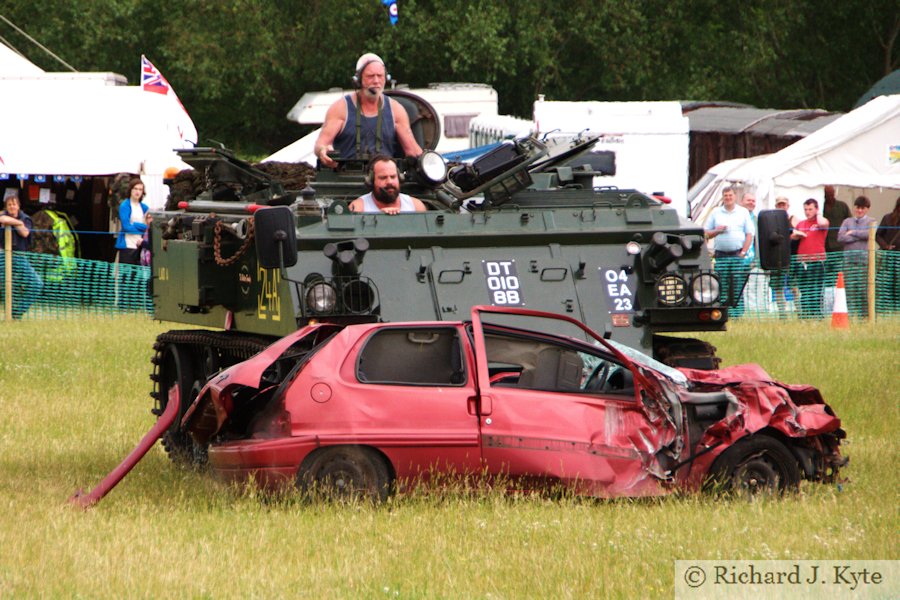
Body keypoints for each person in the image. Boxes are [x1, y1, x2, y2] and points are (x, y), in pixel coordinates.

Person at [314, 53, 423, 168]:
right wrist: (323, 151)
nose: (376, 81)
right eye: (371, 76)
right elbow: (321, 144)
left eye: (380, 76)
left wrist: (429, 162)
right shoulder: (341, 108)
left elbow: (413, 150)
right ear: (358, 80)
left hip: (384, 176)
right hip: (347, 177)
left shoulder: (396, 110)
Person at [704, 187, 754, 317]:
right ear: (723, 197)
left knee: (737, 285)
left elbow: (750, 234)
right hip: (721, 255)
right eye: (725, 195)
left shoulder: (743, 212)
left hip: (737, 255)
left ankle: (737, 314)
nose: (728, 198)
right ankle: (724, 313)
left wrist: (743, 252)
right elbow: (705, 233)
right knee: (722, 285)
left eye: (730, 195)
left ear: (735, 197)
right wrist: (717, 231)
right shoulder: (716, 212)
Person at [0, 191, 43, 318]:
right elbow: (2, 218)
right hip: (3, 257)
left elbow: (25, 233)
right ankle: (10, 313)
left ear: (18, 206)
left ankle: (17, 312)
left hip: (19, 257)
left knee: (36, 283)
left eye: (14, 204)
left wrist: (17, 223)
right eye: (9, 205)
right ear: (6, 207)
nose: (12, 207)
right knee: (6, 286)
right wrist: (15, 222)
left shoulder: (26, 219)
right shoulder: (3, 216)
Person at [837, 196, 877, 317]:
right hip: (849, 261)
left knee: (864, 290)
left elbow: (869, 234)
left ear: (867, 209)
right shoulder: (847, 221)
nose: (859, 210)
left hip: (864, 262)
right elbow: (840, 237)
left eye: (862, 208)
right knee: (850, 289)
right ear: (854, 208)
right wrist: (858, 236)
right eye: (858, 208)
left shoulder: (872, 221)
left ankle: (866, 316)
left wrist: (853, 232)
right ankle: (851, 315)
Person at [791, 198, 829, 319]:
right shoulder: (801, 223)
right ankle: (806, 314)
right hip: (802, 262)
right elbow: (792, 236)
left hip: (817, 261)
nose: (807, 212)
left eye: (810, 209)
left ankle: (816, 315)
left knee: (816, 289)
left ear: (816, 209)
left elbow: (823, 224)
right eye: (806, 209)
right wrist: (797, 235)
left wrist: (817, 214)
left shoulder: (821, 221)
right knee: (804, 289)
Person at [350, 155, 427, 214]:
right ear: (371, 181)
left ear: (399, 178)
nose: (389, 182)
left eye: (393, 177)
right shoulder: (358, 208)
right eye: (383, 178)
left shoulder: (416, 207)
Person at [114, 178, 149, 265]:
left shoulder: (144, 207)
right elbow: (126, 227)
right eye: (135, 189)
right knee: (126, 276)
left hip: (140, 246)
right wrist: (142, 227)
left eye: (140, 189)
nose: (138, 192)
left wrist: (135, 224)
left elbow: (148, 227)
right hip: (127, 246)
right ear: (130, 190)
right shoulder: (125, 205)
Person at [875, 196, 900, 314]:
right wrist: (886, 246)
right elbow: (878, 235)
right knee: (888, 284)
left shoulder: (887, 217)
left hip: (891, 256)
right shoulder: (888, 218)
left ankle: (893, 310)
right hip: (889, 256)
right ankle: (889, 310)